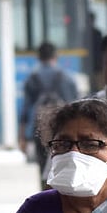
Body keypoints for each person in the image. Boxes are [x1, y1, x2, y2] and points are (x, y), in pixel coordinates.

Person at [18, 42, 78, 185]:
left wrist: (22, 137)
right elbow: (76, 106)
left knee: (43, 166)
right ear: (56, 56)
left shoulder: (32, 78)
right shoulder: (67, 77)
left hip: (40, 128)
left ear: (38, 57)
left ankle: (45, 196)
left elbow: (26, 109)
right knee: (64, 164)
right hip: (64, 129)